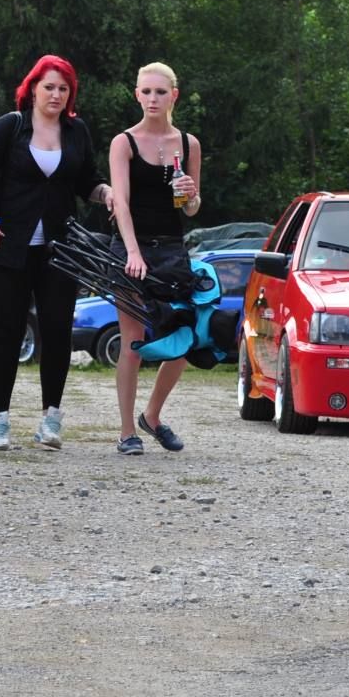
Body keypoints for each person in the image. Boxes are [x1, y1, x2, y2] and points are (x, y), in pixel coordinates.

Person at [0, 55, 112, 450]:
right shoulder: (10, 126)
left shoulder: (76, 131)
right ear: (33, 89)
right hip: (8, 245)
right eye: (49, 87)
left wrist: (107, 193)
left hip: (60, 248)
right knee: (7, 331)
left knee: (57, 332)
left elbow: (87, 182)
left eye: (64, 88)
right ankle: (0, 420)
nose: (56, 94)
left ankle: (51, 420)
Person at [106, 62, 203, 456]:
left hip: (172, 247)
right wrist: (132, 251)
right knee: (133, 342)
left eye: (160, 92)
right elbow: (121, 203)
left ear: (173, 96)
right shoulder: (124, 143)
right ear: (137, 95)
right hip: (132, 246)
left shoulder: (189, 144)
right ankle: (127, 431)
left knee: (184, 339)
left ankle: (152, 415)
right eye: (146, 91)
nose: (152, 99)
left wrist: (191, 194)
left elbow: (191, 209)